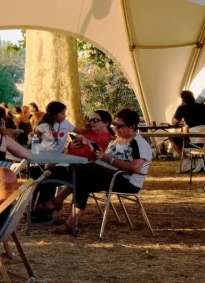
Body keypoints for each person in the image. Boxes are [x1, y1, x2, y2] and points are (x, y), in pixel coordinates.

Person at [54, 107, 152, 235]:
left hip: (127, 182)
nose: (116, 128)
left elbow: (136, 168)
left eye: (120, 126)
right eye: (115, 124)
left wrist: (109, 159)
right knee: (80, 174)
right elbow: (104, 157)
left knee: (82, 175)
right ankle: (68, 219)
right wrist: (89, 144)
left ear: (132, 127)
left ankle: (60, 208)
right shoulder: (116, 140)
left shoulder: (138, 143)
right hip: (108, 174)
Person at [34, 110, 114, 216]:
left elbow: (101, 156)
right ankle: (34, 207)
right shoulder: (88, 132)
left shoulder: (110, 140)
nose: (92, 123)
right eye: (91, 120)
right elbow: (70, 150)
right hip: (70, 164)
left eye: (96, 120)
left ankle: (44, 213)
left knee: (47, 175)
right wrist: (71, 145)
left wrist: (88, 143)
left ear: (106, 122)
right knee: (35, 172)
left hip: (84, 170)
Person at [171, 90, 205, 161]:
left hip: (194, 138)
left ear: (183, 99)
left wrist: (178, 109)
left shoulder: (182, 108)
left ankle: (185, 160)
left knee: (172, 139)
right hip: (203, 138)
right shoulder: (202, 106)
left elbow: (173, 123)